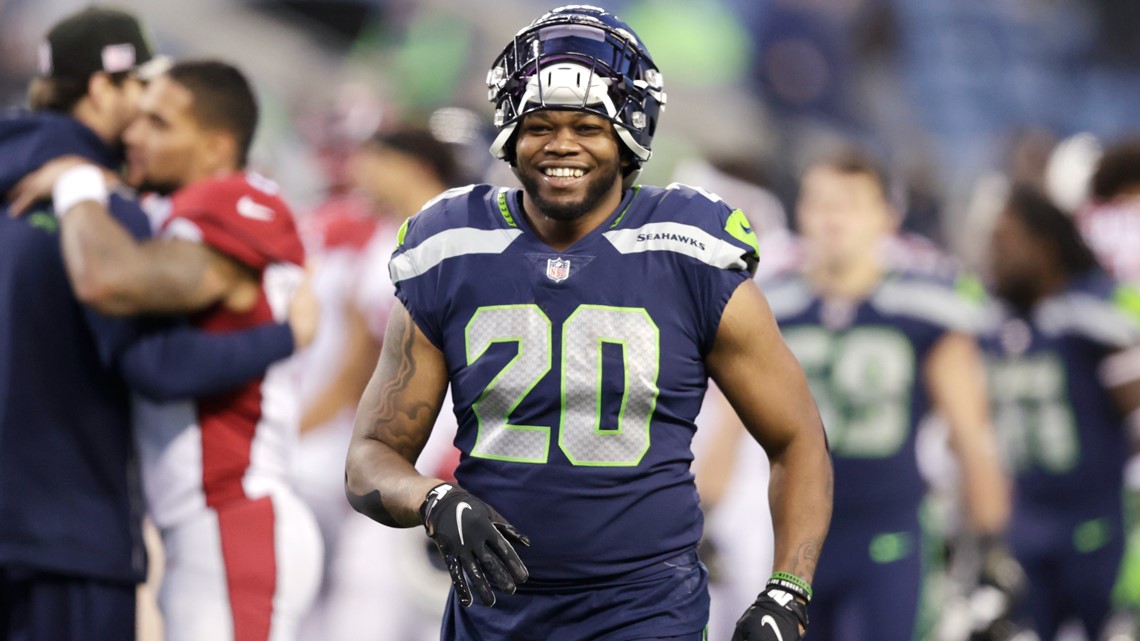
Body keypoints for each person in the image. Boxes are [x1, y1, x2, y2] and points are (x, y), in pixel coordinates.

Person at [345, 6, 833, 641]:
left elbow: (797, 439)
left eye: (586, 125)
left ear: (629, 136)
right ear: (509, 132)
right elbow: (371, 456)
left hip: (643, 609)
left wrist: (787, 590)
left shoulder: (686, 252)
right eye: (539, 124)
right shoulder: (451, 248)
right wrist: (431, 500)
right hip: (493, 612)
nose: (561, 144)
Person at [0, 8, 312, 641]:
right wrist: (289, 334)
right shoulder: (101, 199)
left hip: (227, 509)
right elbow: (146, 344)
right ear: (101, 90)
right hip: (81, 530)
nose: (140, 130)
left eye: (160, 120)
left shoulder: (225, 200)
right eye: (141, 102)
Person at [755, 149, 1012, 641]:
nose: (834, 220)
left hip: (888, 531)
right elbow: (721, 429)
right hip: (791, 536)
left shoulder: (926, 306)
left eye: (850, 204)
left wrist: (992, 542)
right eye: (822, 203)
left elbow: (970, 431)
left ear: (885, 217)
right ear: (801, 212)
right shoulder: (772, 306)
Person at [294, 126, 467, 641]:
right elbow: (359, 364)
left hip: (432, 449)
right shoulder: (385, 238)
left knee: (370, 595)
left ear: (411, 165)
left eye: (376, 159)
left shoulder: (454, 238)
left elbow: (362, 371)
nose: (362, 172)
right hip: (395, 448)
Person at [983, 185, 1140, 640]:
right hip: (1027, 521)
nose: (995, 254)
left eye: (1006, 240)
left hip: (1097, 519)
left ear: (1044, 246)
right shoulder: (994, 323)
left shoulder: (1093, 313)